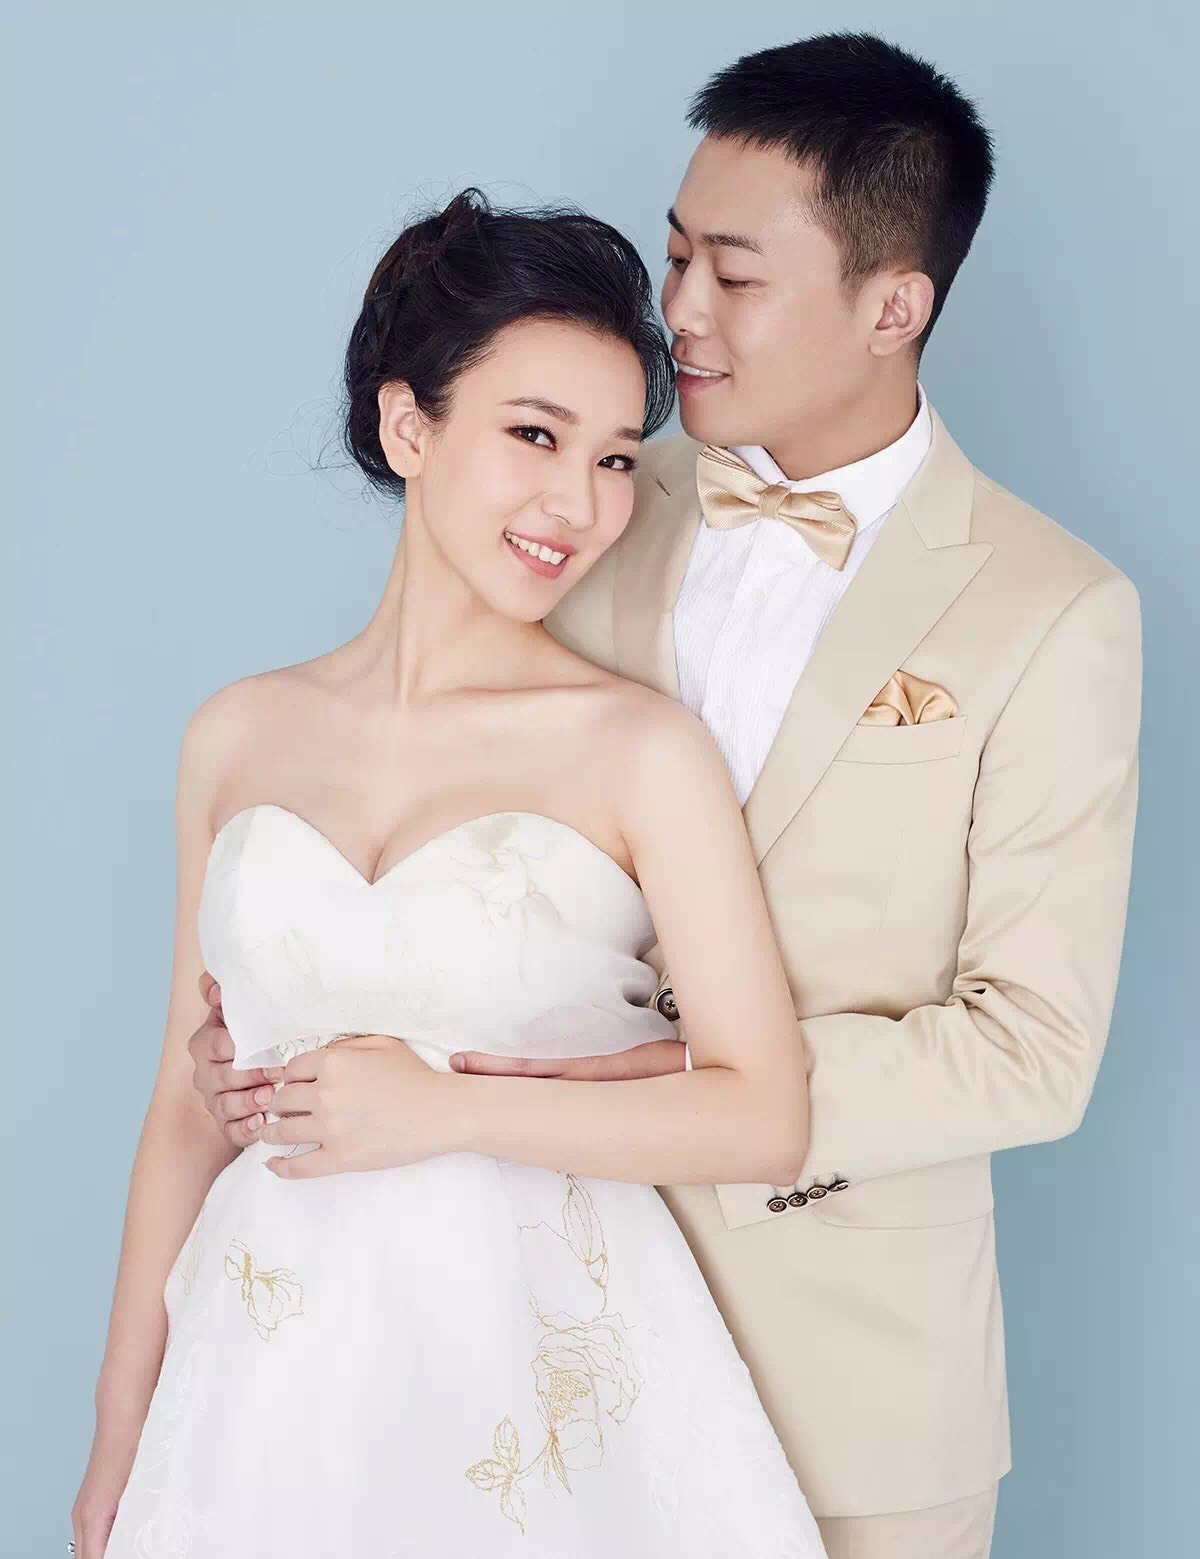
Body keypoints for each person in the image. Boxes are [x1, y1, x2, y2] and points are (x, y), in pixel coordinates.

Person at [186, 31, 1142, 1559]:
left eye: (733, 275)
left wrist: (686, 1086)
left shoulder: (1053, 610)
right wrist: (291, 1002)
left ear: (894, 308)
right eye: (679, 252)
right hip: (518, 1343)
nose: (679, 309)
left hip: (851, 1379)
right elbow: (436, 784)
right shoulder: (590, 495)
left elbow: (1032, 1050)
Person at [74, 189, 830, 1559]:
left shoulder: (639, 751)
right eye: (535, 435)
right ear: (407, 426)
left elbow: (764, 1114)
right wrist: (118, 1438)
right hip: (263, 1378)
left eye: (615, 458)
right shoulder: (236, 736)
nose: (579, 504)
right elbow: (183, 1113)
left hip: (539, 1376)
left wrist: (451, 1110)